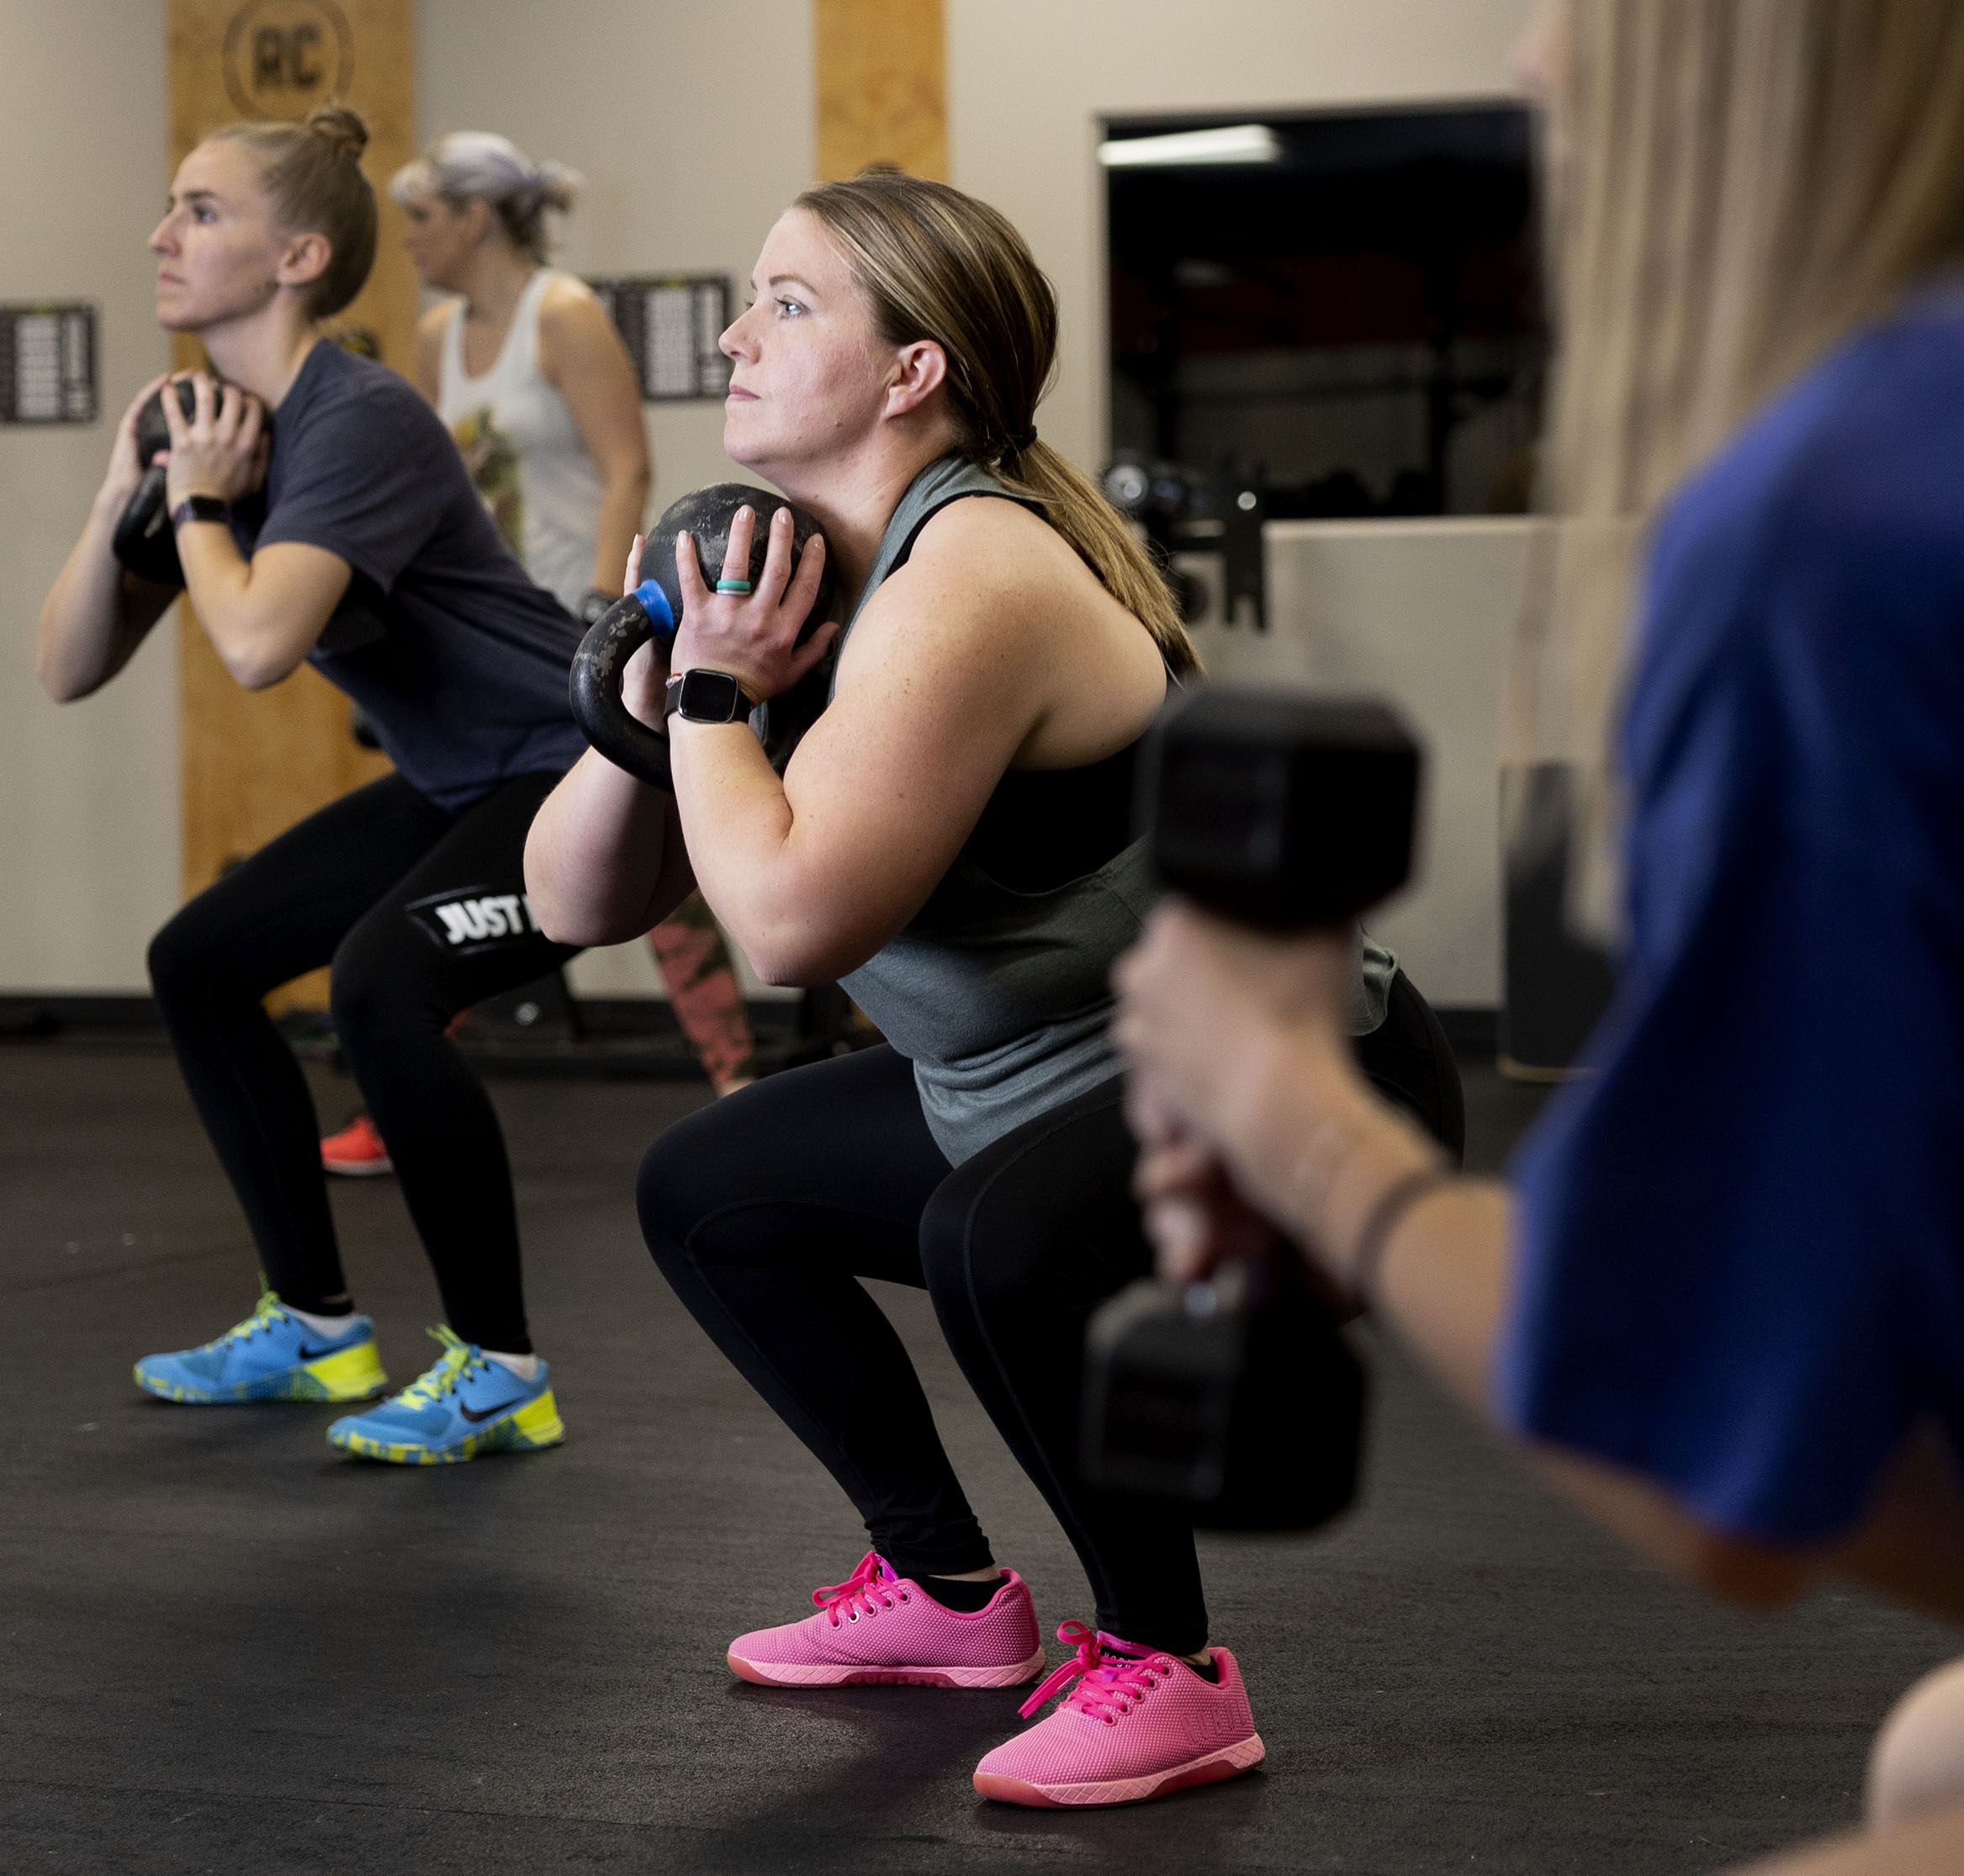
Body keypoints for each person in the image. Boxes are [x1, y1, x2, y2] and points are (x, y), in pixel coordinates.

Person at [1109, 2, 1964, 1871]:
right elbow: (1926, 1480)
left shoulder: (1862, 519)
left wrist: (1280, 1097)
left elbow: (1712, 1481)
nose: (1538, 65)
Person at [523, 168, 1463, 1808]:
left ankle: (1171, 1664)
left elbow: (796, 921)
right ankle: (950, 1594)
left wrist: (720, 701)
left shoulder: (974, 574)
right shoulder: (796, 571)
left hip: (1306, 1086)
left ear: (913, 370)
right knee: (710, 1185)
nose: (736, 335)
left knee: (1002, 1232)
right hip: (1050, 1078)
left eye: (791, 302)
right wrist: (639, 717)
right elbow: (572, 900)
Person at [36, 105, 586, 1465]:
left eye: (202, 213)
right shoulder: (209, 428)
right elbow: (65, 667)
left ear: (298, 256)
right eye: (170, 207)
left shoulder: (361, 420)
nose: (163, 236)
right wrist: (128, 491)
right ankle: (315, 1325)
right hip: (459, 781)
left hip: (579, 775)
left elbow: (261, 642)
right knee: (201, 961)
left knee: (378, 984)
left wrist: (206, 513)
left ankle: (502, 1368)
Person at [305, 130, 748, 1188]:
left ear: (474, 217)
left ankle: (741, 1087)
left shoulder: (564, 314)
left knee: (656, 860)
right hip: (478, 639)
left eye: (421, 217)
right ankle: (394, 1088)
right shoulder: (435, 335)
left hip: (573, 620)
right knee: (459, 861)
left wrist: (605, 617)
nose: (407, 238)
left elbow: (627, 464)